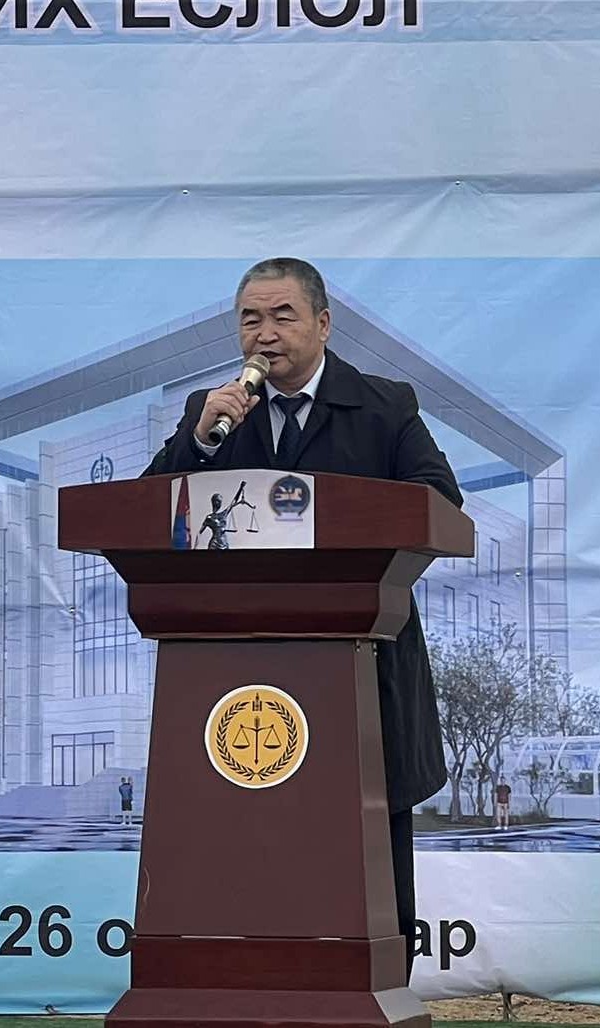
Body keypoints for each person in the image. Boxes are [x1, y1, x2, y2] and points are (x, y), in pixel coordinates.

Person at [144, 257, 459, 980]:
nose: (265, 333)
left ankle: (377, 990)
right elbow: (147, 510)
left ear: (322, 323)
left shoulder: (383, 406)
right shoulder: (212, 412)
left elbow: (440, 502)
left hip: (364, 667)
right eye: (250, 319)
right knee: (248, 847)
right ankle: (245, 989)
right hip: (236, 671)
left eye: (282, 316)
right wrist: (201, 441)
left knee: (365, 851)